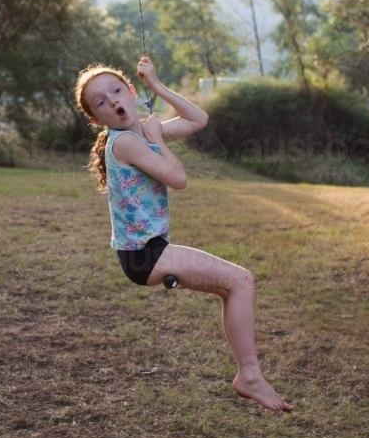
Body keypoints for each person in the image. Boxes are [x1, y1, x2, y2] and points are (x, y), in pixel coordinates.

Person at [74, 56, 292, 412]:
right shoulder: (126, 143)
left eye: (116, 90)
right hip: (144, 255)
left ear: (130, 91)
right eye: (101, 102)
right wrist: (159, 138)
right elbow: (178, 179)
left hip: (151, 250)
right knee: (240, 281)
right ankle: (249, 376)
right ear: (97, 120)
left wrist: (157, 86)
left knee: (233, 285)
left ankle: (249, 375)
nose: (113, 101)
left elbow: (198, 119)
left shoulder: (140, 132)